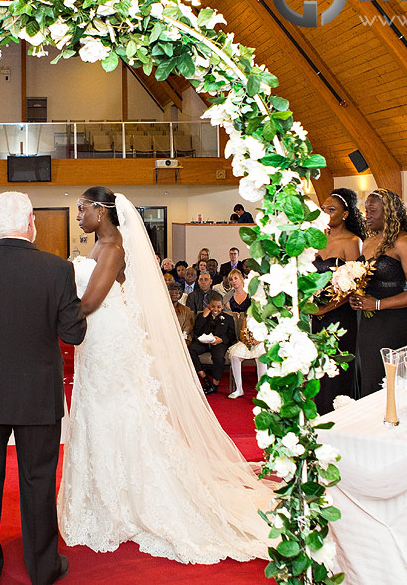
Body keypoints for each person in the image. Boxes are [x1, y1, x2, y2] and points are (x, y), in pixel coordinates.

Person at [59, 186, 273, 564]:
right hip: (95, 339)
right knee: (98, 411)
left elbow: (90, 302)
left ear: (102, 210)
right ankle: (104, 494)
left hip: (110, 338)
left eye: (82, 209)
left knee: (118, 411)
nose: (77, 215)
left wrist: (50, 313)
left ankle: (131, 497)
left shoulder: (113, 250)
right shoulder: (98, 245)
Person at [0, 192, 85, 585]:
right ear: (32, 221)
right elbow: (72, 332)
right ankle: (43, 567)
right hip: (36, 393)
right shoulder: (57, 269)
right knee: (38, 482)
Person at [348, 189, 407, 397]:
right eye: (366, 210)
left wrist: (377, 304)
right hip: (368, 323)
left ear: (389, 213)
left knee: (390, 385)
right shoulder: (368, 242)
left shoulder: (402, 241)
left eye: (373, 211)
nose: (367, 215)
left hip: (395, 322)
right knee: (369, 381)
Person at [312, 189, 365, 412]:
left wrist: (326, 308)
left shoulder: (353, 241)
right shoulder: (316, 238)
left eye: (331, 210)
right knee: (319, 370)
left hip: (341, 314)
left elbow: (355, 286)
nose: (326, 213)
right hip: (315, 312)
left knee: (337, 367)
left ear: (345, 214)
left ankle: (340, 415)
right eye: (323, 209)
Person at [224, 270, 263, 399]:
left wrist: (257, 340)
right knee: (234, 354)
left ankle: (262, 391)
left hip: (259, 339)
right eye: (231, 279)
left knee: (261, 354)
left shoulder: (254, 301)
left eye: (236, 278)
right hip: (244, 336)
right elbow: (242, 328)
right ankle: (239, 389)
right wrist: (247, 340)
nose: (233, 281)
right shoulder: (229, 297)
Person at [190, 292, 235, 394]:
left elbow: (232, 336)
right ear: (209, 306)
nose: (215, 309)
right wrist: (204, 317)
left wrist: (221, 340)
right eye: (213, 306)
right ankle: (205, 378)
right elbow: (197, 331)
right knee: (190, 350)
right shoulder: (202, 316)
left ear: (222, 307)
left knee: (219, 357)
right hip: (204, 343)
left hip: (218, 344)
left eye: (218, 307)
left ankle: (214, 385)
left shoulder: (229, 318)